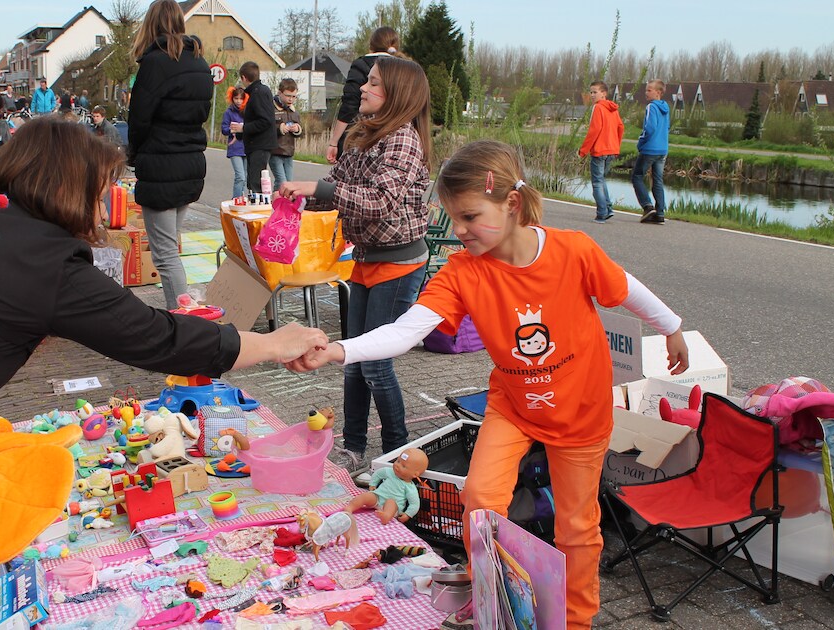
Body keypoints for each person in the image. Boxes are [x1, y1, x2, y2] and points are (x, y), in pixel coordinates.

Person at [286, 139, 691, 629]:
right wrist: (338, 349)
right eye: (453, 218)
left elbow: (629, 290)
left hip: (581, 414)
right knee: (479, 501)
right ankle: (493, 599)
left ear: (512, 204)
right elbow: (405, 330)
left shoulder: (573, 252)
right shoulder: (463, 273)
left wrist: (672, 329)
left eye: (470, 217)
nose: (458, 231)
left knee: (577, 527)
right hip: (514, 407)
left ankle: (577, 620)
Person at [0, 116, 328, 445]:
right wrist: (273, 343)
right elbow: (156, 337)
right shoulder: (46, 259)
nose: (101, 215)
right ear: (65, 188)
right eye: (99, 197)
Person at [277, 56, 432, 476]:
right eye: (367, 82)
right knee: (349, 359)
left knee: (376, 364)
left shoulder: (403, 139)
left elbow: (380, 202)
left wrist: (319, 186)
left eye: (375, 85)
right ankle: (353, 446)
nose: (363, 88)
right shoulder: (363, 135)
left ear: (397, 97)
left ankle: (399, 452)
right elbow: (338, 190)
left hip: (399, 265)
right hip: (364, 261)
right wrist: (300, 197)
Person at [126, 0, 213, 310]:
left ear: (151, 24)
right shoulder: (201, 63)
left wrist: (133, 154)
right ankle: (183, 315)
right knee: (170, 246)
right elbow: (202, 112)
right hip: (190, 163)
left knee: (164, 254)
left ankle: (182, 320)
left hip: (161, 165)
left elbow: (138, 119)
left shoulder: (154, 63)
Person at [327, 26, 398, 164]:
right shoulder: (402, 67)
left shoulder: (360, 65)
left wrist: (334, 142)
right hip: (391, 130)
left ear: (371, 45)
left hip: (358, 133)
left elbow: (349, 105)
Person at [578, 80, 624, 224]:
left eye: (595, 92)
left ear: (603, 93)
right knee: (601, 180)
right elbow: (620, 128)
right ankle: (608, 208)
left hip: (600, 150)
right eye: (590, 92)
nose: (592, 95)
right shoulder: (613, 109)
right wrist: (616, 145)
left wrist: (583, 150)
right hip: (611, 150)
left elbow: (594, 130)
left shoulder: (598, 108)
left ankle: (601, 213)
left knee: (597, 183)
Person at [635, 79, 670, 225]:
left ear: (658, 92)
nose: (646, 93)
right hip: (662, 149)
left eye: (649, 90)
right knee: (658, 180)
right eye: (646, 90)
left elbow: (649, 128)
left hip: (650, 148)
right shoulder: (666, 108)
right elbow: (667, 127)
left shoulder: (652, 107)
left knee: (637, 176)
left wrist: (641, 142)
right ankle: (660, 212)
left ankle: (647, 206)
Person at [238, 61, 276, 194]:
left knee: (256, 183)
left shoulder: (258, 93)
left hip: (260, 144)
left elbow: (265, 120)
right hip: (256, 144)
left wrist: (244, 128)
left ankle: (259, 210)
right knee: (254, 181)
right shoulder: (257, 92)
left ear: (244, 77)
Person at [269, 77, 302, 188]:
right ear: (279, 93)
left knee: (288, 183)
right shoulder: (271, 109)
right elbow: (266, 128)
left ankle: (284, 204)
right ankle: (275, 203)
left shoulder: (294, 112)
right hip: (275, 151)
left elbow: (302, 131)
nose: (290, 99)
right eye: (288, 96)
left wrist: (297, 129)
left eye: (294, 97)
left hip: (288, 152)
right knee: (281, 182)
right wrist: (279, 128)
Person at [220, 86, 248, 198]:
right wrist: (233, 130)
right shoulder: (229, 112)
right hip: (235, 148)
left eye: (241, 99)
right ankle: (236, 199)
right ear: (232, 98)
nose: (238, 101)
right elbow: (224, 129)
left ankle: (241, 199)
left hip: (246, 147)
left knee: (245, 178)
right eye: (236, 98)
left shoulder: (247, 112)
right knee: (240, 176)